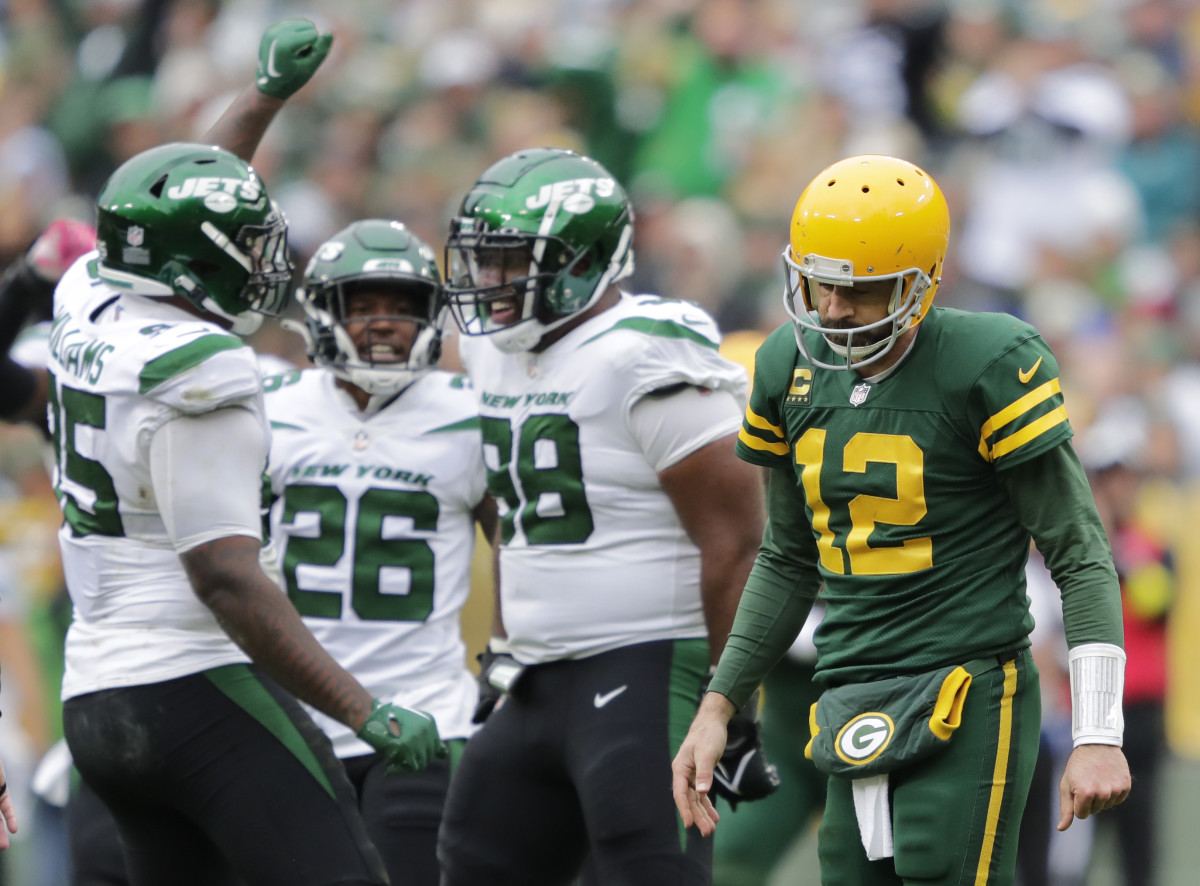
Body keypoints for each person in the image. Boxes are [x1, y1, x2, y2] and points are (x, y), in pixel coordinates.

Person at [672, 154, 1132, 886]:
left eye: (861, 289)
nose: (832, 308)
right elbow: (787, 558)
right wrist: (718, 705)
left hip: (967, 681)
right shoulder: (787, 363)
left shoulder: (986, 360)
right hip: (849, 687)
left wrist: (1099, 732)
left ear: (920, 283)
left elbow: (1078, 551)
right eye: (823, 282)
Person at [44, 124, 444, 886]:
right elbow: (223, 576)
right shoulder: (203, 368)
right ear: (190, 258)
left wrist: (261, 102)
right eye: (244, 244)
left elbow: (159, 205)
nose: (263, 263)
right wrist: (363, 709)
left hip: (96, 698)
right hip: (193, 686)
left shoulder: (88, 290)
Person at [435, 146, 769, 885]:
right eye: (484, 261)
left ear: (586, 259)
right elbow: (513, 518)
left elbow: (738, 542)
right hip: (533, 675)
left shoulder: (645, 352)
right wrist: (501, 643)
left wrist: (730, 703)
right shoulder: (491, 350)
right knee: (474, 860)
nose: (490, 281)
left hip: (647, 664)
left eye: (513, 261)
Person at [263, 218, 496, 885]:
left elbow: (518, 542)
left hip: (426, 712)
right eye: (362, 306)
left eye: (402, 307)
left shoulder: (468, 411)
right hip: (291, 718)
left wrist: (505, 653)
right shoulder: (267, 407)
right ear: (320, 313)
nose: (384, 323)